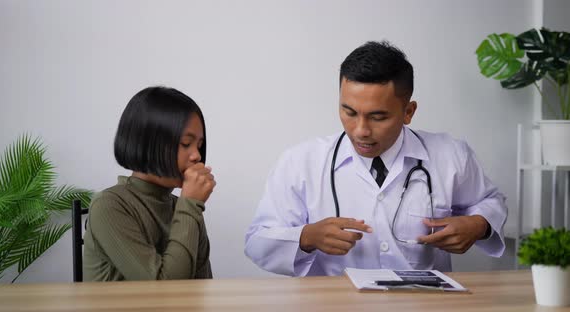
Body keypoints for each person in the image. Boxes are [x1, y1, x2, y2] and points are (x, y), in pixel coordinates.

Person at [244, 41, 507, 276]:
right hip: (334, 306)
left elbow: (490, 201)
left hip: (423, 304)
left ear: (409, 112)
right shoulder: (300, 162)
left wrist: (478, 225)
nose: (360, 130)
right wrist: (306, 236)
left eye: (378, 117)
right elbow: (257, 242)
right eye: (349, 112)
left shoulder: (450, 155)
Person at [83, 86, 215, 281]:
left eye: (199, 145)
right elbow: (164, 289)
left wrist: (190, 206)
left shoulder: (184, 206)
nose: (196, 155)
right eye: (186, 143)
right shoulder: (109, 206)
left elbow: (201, 286)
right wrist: (190, 205)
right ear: (148, 143)